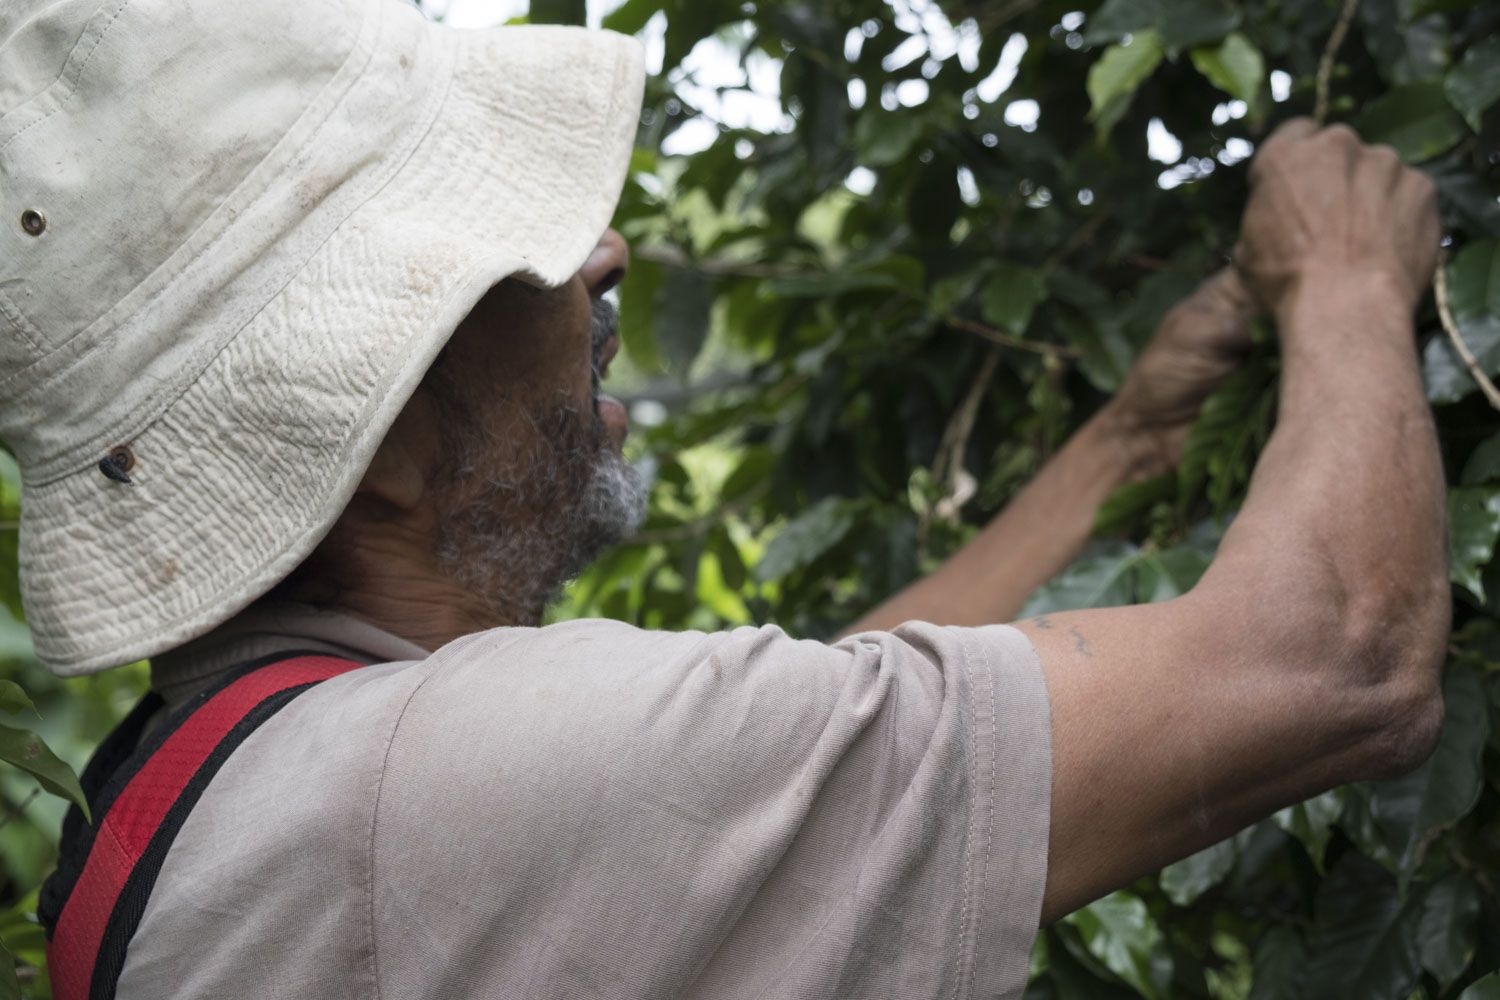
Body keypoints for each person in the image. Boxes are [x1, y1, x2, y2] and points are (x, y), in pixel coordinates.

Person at [2, 0, 1447, 996]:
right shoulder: (448, 791)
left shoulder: (214, 785)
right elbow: (1332, 657)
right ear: (368, 436)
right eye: (516, 252)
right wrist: (1345, 273)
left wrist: (1127, 440)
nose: (606, 254)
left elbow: (801, 738)